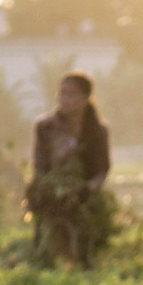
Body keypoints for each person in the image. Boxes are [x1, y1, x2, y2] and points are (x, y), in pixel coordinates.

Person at [28, 72, 113, 266]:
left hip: (84, 195)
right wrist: (46, 187)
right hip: (52, 194)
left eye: (71, 94)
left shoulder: (98, 131)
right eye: (62, 93)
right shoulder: (45, 127)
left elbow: (102, 168)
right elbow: (39, 164)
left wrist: (87, 188)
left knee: (86, 244)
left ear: (85, 99)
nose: (65, 99)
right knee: (50, 246)